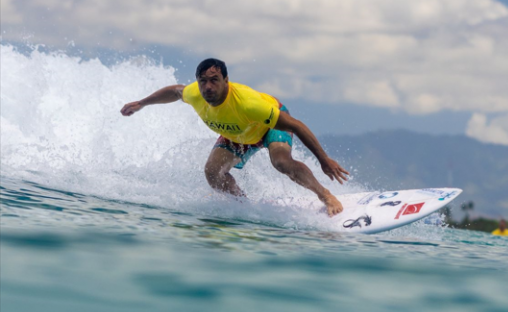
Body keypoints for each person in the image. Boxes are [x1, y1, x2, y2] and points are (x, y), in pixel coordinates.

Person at [120, 58, 349, 216]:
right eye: (203, 81)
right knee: (212, 172)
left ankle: (326, 196)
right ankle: (243, 206)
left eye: (214, 80)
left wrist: (323, 160)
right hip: (239, 134)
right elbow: (176, 91)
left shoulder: (249, 104)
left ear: (226, 80)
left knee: (281, 162)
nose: (208, 86)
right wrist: (142, 103)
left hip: (266, 126)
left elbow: (296, 126)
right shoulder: (195, 93)